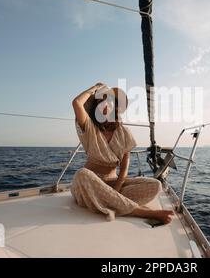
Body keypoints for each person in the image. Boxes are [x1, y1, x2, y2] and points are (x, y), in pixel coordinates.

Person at [70, 82, 174, 224]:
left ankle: (110, 201)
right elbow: (76, 103)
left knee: (155, 185)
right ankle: (142, 212)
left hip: (112, 183)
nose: (104, 104)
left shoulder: (124, 133)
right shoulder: (89, 127)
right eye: (100, 101)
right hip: (88, 184)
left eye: (108, 100)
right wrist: (94, 88)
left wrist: (116, 191)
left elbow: (124, 169)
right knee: (82, 174)